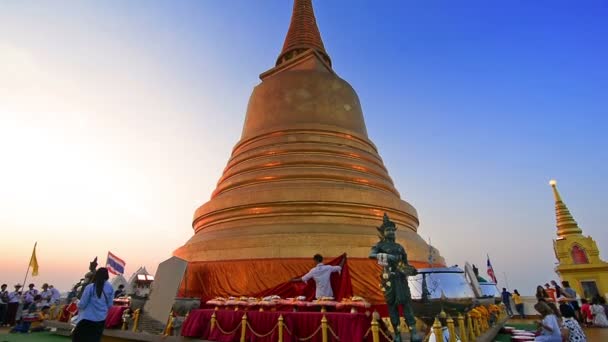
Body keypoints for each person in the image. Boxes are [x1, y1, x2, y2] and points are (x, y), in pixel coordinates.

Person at [369, 214, 420, 342]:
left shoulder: (399, 247)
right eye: (388, 230)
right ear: (383, 232)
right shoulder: (380, 246)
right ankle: (397, 333)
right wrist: (387, 257)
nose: (391, 232)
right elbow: (371, 255)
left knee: (407, 304)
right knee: (392, 306)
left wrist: (411, 270)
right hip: (389, 279)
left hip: (401, 279)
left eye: (392, 230)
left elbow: (405, 263)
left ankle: (413, 330)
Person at [72, 267, 114, 342]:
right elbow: (110, 305)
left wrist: (76, 301)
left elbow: (82, 304)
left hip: (86, 319)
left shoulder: (90, 287)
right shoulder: (110, 288)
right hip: (100, 320)